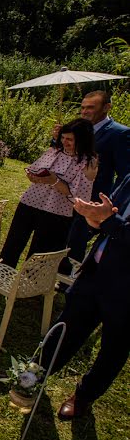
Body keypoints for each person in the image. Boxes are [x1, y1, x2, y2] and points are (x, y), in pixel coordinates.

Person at [38, 174, 130, 420]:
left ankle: (84, 396)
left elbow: (115, 222)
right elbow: (108, 211)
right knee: (67, 325)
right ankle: (35, 374)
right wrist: (93, 218)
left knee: (114, 348)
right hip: (95, 273)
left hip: (126, 292)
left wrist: (108, 220)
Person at [0, 118, 97, 268]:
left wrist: (54, 181)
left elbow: (78, 198)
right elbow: (35, 169)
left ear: (83, 140)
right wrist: (33, 176)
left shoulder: (88, 163)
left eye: (70, 139)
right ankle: (0, 274)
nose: (65, 142)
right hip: (30, 202)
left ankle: (30, 288)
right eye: (63, 138)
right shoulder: (54, 151)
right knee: (14, 242)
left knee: (40, 254)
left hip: (57, 212)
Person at [61, 90, 130, 269]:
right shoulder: (78, 129)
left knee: (75, 241)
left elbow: (125, 174)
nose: (84, 112)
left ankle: (65, 280)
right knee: (58, 235)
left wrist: (113, 202)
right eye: (83, 107)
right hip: (65, 192)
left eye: (90, 107)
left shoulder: (119, 134)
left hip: (91, 198)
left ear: (106, 107)